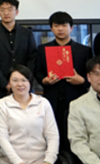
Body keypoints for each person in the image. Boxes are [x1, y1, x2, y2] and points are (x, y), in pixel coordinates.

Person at [0, 65, 61, 164]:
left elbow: (53, 135)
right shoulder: (2, 104)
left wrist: (49, 161)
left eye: (24, 80)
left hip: (39, 157)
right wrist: (18, 162)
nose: (20, 84)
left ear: (30, 82)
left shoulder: (43, 103)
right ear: (9, 83)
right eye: (15, 80)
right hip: (11, 158)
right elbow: (2, 138)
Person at [34, 11, 91, 151]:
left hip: (76, 99)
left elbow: (91, 75)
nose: (60, 29)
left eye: (64, 25)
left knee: (77, 137)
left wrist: (82, 80)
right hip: (52, 100)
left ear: (71, 28)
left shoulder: (84, 51)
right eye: (56, 26)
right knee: (53, 137)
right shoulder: (42, 49)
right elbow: (37, 71)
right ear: (51, 28)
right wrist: (44, 80)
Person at [0, 0, 37, 101]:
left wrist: (24, 80)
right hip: (1, 88)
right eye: (2, 10)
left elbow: (32, 58)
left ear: (17, 12)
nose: (6, 13)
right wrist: (5, 84)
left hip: (24, 87)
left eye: (10, 9)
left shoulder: (27, 33)